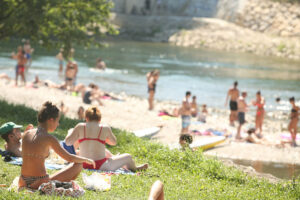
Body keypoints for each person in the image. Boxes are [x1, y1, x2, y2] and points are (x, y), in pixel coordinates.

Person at [18, 101, 95, 190]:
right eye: (57, 121)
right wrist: (86, 159)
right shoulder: (49, 138)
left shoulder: (26, 133)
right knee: (78, 165)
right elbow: (69, 157)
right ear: (51, 120)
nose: (58, 124)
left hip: (22, 181)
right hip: (39, 183)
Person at [65, 106, 148, 171]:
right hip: (101, 166)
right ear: (100, 119)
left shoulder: (80, 126)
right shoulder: (104, 128)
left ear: (86, 118)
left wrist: (71, 132)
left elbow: (68, 142)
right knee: (128, 157)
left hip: (83, 164)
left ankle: (120, 162)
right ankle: (135, 168)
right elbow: (113, 142)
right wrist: (104, 138)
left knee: (100, 151)